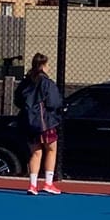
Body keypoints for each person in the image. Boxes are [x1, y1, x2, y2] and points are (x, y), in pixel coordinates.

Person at [14, 52, 64, 196]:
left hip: (29, 123)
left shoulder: (26, 82)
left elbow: (18, 100)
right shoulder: (47, 83)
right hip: (45, 123)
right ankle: (48, 183)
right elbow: (54, 102)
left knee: (35, 152)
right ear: (43, 65)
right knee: (51, 149)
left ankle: (32, 185)